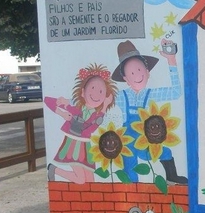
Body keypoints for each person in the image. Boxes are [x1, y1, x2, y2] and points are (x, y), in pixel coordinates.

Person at [112, 39, 187, 184]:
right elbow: (97, 101)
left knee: (165, 152)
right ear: (126, 79)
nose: (137, 75)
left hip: (145, 139)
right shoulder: (121, 96)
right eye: (132, 73)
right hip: (128, 142)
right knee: (130, 168)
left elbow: (176, 92)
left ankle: (171, 177)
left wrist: (171, 61)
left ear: (147, 72)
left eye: (139, 70)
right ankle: (131, 192)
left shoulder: (151, 94)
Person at [46, 63, 117, 183]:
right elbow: (47, 100)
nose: (96, 95)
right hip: (72, 145)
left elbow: (93, 127)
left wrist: (105, 106)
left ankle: (91, 202)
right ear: (83, 92)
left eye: (101, 91)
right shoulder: (75, 108)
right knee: (81, 180)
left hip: (85, 146)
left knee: (90, 180)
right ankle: (54, 170)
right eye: (93, 89)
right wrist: (62, 113)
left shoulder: (96, 115)